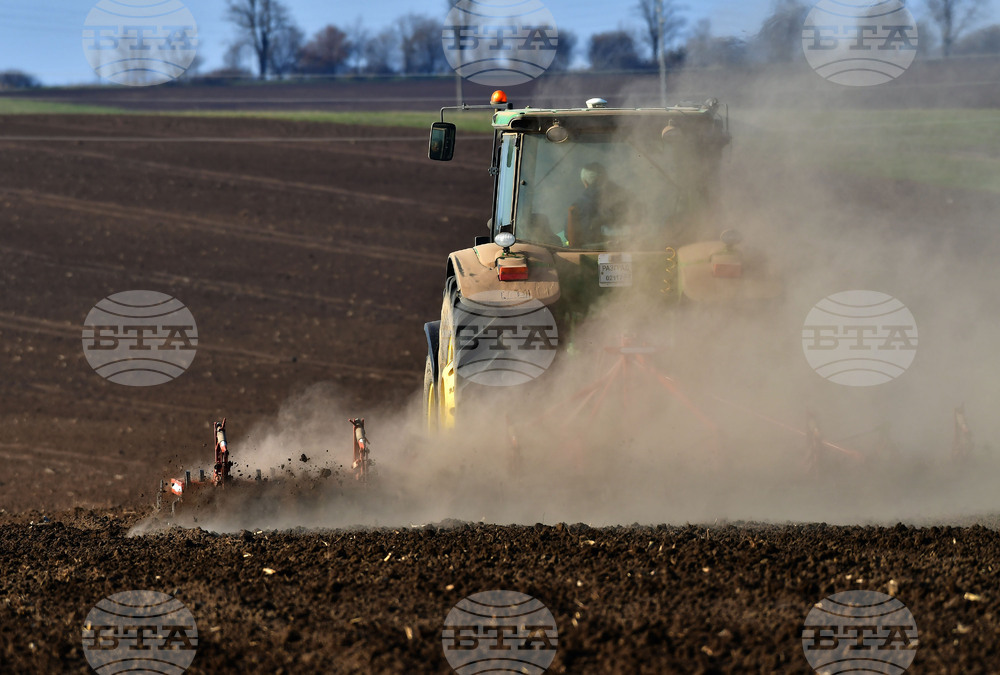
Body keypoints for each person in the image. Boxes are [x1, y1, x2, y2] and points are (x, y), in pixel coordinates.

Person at [566, 162, 629, 247]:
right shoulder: (625, 198)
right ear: (605, 178)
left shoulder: (577, 206)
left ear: (585, 182)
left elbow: (572, 242)